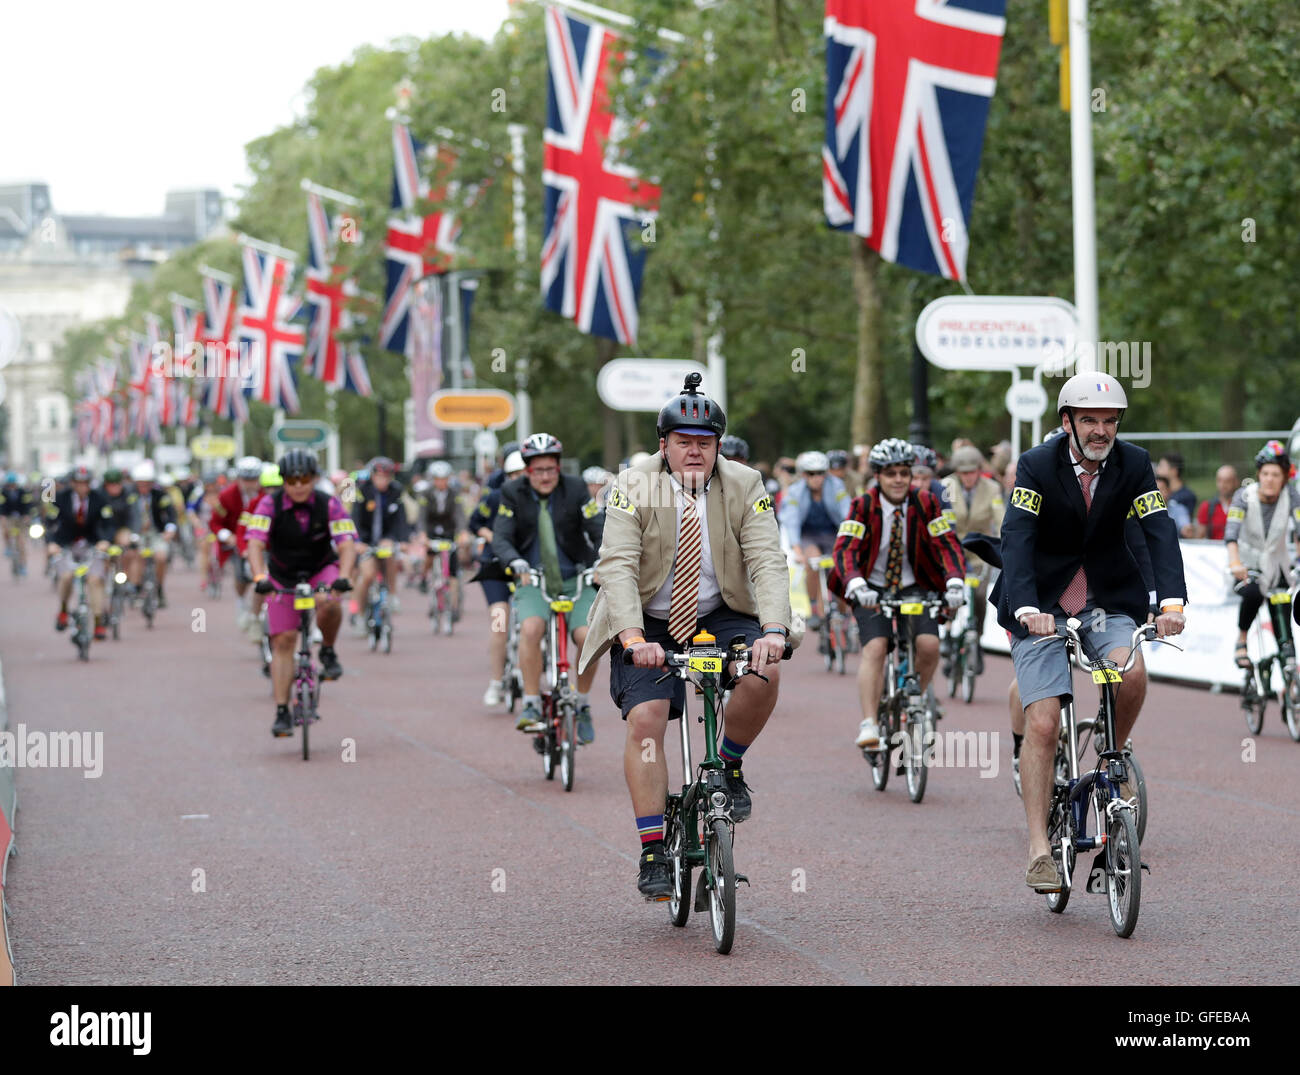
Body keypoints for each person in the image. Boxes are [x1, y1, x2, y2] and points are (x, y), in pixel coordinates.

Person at [577, 374, 794, 899]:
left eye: (705, 442)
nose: (694, 452)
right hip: (647, 620)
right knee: (648, 718)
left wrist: (774, 629)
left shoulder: (745, 483)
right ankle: (653, 848)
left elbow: (766, 559)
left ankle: (731, 767)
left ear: (718, 445)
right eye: (683, 442)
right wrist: (632, 638)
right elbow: (620, 566)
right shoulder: (633, 484)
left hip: (721, 612)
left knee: (765, 670)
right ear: (664, 445)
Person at [995, 372, 1186, 894]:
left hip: (1107, 600)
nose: (1101, 430)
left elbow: (1159, 529)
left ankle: (1113, 751)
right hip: (1043, 603)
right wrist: (1029, 606)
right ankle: (1039, 847)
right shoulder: (1036, 465)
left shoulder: (1135, 463)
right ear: (1068, 423)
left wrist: (1171, 600)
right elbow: (1016, 537)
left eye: (1109, 421)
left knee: (1132, 675)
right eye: (1089, 421)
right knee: (1043, 723)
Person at [829, 438, 966, 750]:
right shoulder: (863, 504)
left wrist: (955, 581)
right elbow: (846, 549)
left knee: (929, 645)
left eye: (904, 473)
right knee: (876, 648)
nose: (899, 480)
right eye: (891, 473)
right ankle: (869, 723)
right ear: (877, 476)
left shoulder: (926, 502)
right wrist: (855, 585)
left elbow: (947, 543)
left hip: (916, 586)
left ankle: (916, 697)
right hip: (871, 588)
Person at [493, 433, 605, 742]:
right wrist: (514, 561)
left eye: (550, 469)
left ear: (559, 467)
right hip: (533, 578)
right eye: (538, 470)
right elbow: (500, 537)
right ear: (527, 471)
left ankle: (581, 705)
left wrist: (600, 561)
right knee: (530, 628)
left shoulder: (577, 490)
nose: (545, 476)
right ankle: (530, 703)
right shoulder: (511, 492)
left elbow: (600, 529)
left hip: (575, 577)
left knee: (588, 636)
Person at [247, 449, 357, 736]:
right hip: (283, 574)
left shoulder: (329, 503)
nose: (298, 486)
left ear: (314, 479)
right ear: (283, 481)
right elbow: (255, 544)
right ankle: (283, 710)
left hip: (320, 568)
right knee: (283, 641)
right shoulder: (267, 505)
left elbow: (346, 543)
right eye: (292, 480)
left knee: (330, 603)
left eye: (305, 479)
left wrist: (344, 577)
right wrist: (260, 577)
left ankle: (329, 651)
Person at [1225, 441, 1300, 670]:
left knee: (1283, 597)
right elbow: (1231, 533)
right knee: (1255, 592)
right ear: (1259, 474)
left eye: (1275, 474)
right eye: (1265, 473)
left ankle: (1287, 653)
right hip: (1247, 564)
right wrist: (1235, 563)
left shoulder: (1292, 496)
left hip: (1277, 565)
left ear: (1284, 477)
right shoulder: (1244, 495)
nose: (1269, 479)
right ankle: (1242, 640)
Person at [940, 445, 1004, 672]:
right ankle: (947, 632)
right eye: (963, 472)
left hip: (979, 552)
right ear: (957, 472)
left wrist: (1003, 544)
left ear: (979, 470)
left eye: (972, 471)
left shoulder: (992, 488)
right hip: (953, 551)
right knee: (952, 593)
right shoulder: (945, 486)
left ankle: (976, 637)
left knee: (979, 595)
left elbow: (1000, 518)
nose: (968, 477)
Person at [473, 451, 528, 706]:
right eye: (513, 475)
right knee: (499, 622)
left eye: (522, 474)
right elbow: (474, 522)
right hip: (495, 568)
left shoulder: (539, 500)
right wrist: (491, 536)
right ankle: (496, 682)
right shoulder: (494, 497)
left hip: (525, 570)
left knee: (531, 624)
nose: (518, 479)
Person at [778, 450, 851, 629]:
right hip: (808, 535)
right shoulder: (795, 492)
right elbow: (792, 520)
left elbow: (846, 512)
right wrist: (796, 550)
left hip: (833, 533)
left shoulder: (837, 486)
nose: (817, 477)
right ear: (804, 474)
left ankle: (842, 610)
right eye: (811, 473)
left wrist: (850, 540)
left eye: (821, 473)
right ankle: (813, 608)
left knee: (840, 567)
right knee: (812, 561)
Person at [50, 464, 113, 637]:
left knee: (95, 580)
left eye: (85, 483)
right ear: (72, 483)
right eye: (78, 482)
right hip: (66, 545)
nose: (82, 486)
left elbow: (108, 522)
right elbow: (50, 522)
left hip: (92, 545)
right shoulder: (59, 498)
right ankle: (63, 609)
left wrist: (105, 541)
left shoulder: (100, 498)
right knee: (66, 576)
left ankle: (98, 622)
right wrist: (52, 543)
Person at [351, 457, 410, 627]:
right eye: (379, 476)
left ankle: (392, 595)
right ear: (372, 476)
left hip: (386, 539)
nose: (383, 480)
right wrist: (359, 542)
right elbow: (355, 519)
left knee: (390, 557)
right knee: (367, 576)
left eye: (387, 476)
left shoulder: (396, 491)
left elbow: (401, 519)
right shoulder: (362, 491)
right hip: (366, 541)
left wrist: (400, 540)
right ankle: (360, 615)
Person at [210, 456, 264, 637]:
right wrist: (228, 536)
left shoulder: (266, 494)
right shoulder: (226, 496)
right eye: (246, 479)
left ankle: (258, 615)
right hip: (237, 542)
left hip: (264, 541)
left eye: (254, 479)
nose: (250, 484)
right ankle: (241, 601)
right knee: (242, 577)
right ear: (239, 479)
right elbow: (215, 523)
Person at [128, 460, 178, 608]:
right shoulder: (130, 495)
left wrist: (170, 529)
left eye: (147, 483)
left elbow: (170, 514)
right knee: (137, 556)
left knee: (161, 557)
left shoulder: (160, 495)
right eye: (140, 484)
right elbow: (124, 514)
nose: (144, 487)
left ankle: (159, 588)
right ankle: (136, 588)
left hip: (157, 533)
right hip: (137, 533)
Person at [1156, 452, 1198, 535]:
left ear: (1174, 470)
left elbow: (1184, 524)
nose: (1157, 470)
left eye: (1161, 466)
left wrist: (1186, 529)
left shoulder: (1187, 497)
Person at [1194, 464, 1239, 541]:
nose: (1223, 485)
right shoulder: (1207, 507)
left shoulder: (1243, 506)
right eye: (1219, 480)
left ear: (1236, 482)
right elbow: (1199, 538)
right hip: (1215, 550)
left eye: (1227, 481)